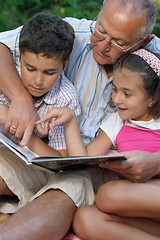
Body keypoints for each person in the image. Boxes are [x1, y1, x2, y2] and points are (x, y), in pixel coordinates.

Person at [0, 0, 160, 239]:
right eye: (102, 30)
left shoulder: (154, 63)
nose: (103, 46)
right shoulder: (71, 33)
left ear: (144, 42)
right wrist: (21, 100)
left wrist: (157, 161)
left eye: (119, 42)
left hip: (91, 173)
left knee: (68, 189)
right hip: (37, 154)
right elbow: (3, 46)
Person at [38, 48, 160, 239]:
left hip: (151, 197)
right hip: (136, 210)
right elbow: (83, 160)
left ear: (151, 99)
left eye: (127, 94)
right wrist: (70, 122)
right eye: (115, 89)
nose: (117, 99)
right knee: (84, 218)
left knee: (108, 194)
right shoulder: (117, 122)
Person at [0, 12, 95, 239]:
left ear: (66, 63)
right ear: (18, 55)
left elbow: (61, 159)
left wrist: (28, 134)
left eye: (50, 72)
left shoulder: (64, 99)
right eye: (30, 68)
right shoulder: (7, 72)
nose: (38, 81)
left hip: (24, 163)